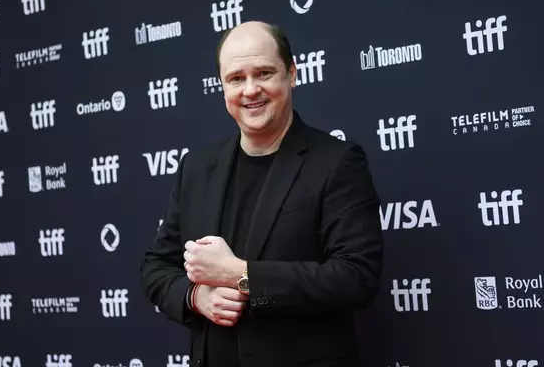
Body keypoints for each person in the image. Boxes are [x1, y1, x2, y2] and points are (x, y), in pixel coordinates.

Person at [140, 21, 384, 367]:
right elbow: (156, 265)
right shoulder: (196, 168)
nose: (250, 90)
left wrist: (241, 275)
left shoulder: (337, 163)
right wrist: (196, 297)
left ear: (292, 74)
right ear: (222, 87)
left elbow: (356, 278)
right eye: (236, 78)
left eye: (264, 73)